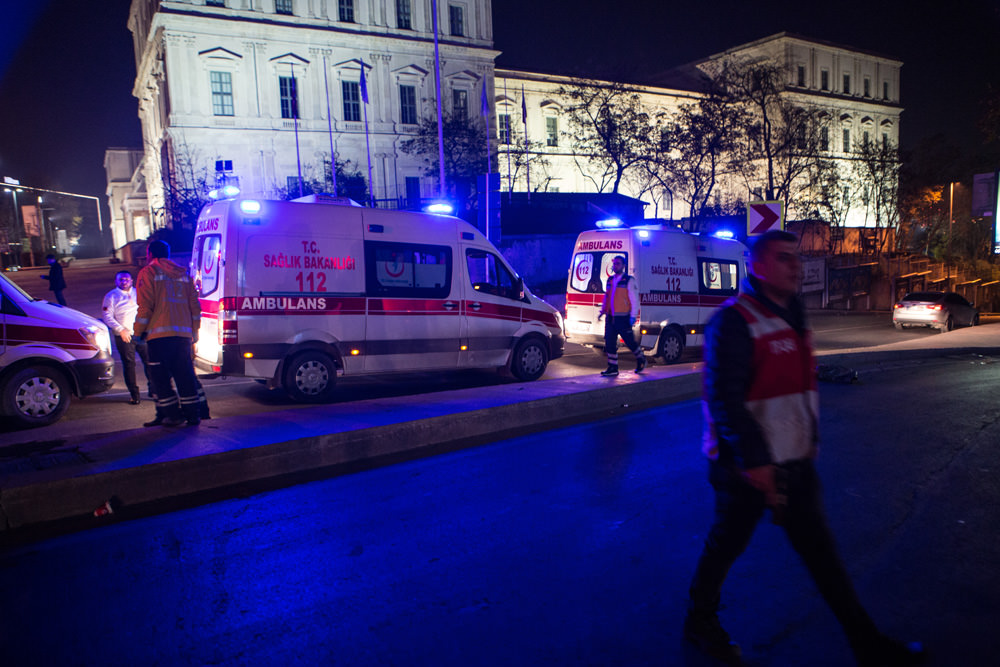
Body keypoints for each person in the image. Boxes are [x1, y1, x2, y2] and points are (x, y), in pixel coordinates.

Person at [684, 230, 925, 666]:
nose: (796, 266)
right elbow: (725, 401)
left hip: (794, 465)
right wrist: (756, 464)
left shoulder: (794, 314)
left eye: (797, 258)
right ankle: (699, 623)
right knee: (725, 547)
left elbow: (797, 384)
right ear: (757, 266)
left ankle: (867, 645)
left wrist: (807, 439)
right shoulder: (734, 320)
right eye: (784, 258)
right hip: (743, 470)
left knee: (823, 557)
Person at [134, 240, 202, 427]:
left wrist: (138, 332)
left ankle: (171, 415)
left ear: (150, 254)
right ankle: (193, 415)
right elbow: (195, 307)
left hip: (158, 337)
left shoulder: (148, 273)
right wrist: (194, 332)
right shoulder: (183, 275)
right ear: (168, 253)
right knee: (185, 375)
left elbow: (145, 306)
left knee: (160, 379)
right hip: (182, 337)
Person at [102, 270, 153, 404]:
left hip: (141, 334)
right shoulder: (111, 296)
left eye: (126, 279)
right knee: (129, 365)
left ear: (131, 280)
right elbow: (107, 316)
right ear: (116, 281)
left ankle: (153, 390)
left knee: (149, 362)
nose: (124, 282)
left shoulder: (139, 293)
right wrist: (121, 329)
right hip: (124, 337)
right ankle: (134, 394)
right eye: (120, 279)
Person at [597, 255, 645, 377]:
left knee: (630, 342)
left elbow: (634, 300)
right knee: (609, 343)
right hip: (610, 317)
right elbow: (606, 297)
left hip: (623, 318)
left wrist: (633, 316)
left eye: (618, 263)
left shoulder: (629, 280)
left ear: (623, 266)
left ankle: (641, 359)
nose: (615, 265)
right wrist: (602, 311)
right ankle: (613, 367)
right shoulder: (610, 280)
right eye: (614, 263)